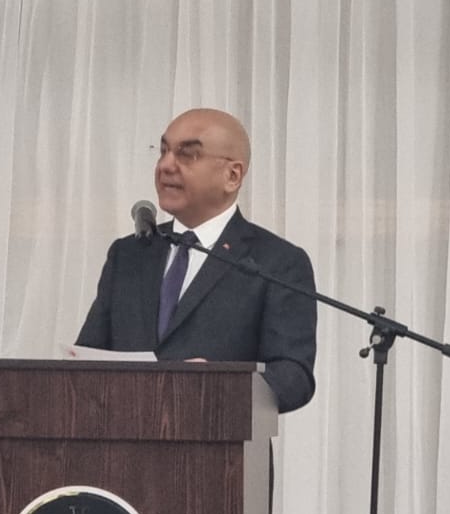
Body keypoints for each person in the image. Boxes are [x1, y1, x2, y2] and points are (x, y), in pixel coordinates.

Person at [76, 108, 317, 413]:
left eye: (187, 154)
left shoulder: (276, 261)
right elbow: (88, 357)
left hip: (220, 438)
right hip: (121, 437)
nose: (165, 165)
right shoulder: (129, 254)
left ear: (232, 176)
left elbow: (294, 376)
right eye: (163, 151)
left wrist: (220, 387)